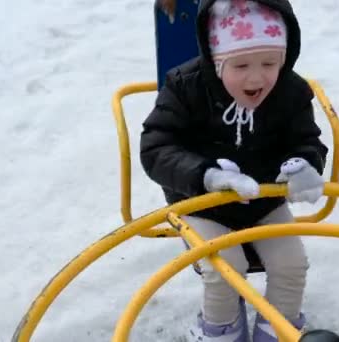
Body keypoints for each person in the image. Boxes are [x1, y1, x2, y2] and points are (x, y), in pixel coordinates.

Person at [140, 0, 328, 341]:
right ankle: (220, 332)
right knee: (225, 269)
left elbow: (306, 140)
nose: (256, 77)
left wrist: (305, 165)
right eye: (240, 65)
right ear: (216, 60)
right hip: (200, 203)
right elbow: (156, 148)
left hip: (264, 201)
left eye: (270, 63)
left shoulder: (291, 92)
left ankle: (279, 331)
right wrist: (206, 176)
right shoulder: (185, 87)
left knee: (291, 264)